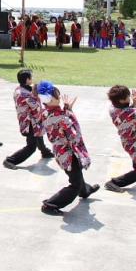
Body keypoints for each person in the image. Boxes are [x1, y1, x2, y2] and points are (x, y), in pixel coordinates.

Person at [37, 81, 99, 215]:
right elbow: (74, 134)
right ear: (49, 99)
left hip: (60, 152)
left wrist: (66, 109)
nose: (59, 99)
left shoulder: (46, 113)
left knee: (77, 174)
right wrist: (69, 111)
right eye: (57, 97)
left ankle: (85, 191)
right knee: (74, 183)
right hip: (69, 153)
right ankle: (50, 205)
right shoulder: (61, 117)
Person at [104, 86, 136, 193]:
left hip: (129, 140)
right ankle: (114, 182)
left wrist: (134, 104)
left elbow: (127, 112)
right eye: (128, 96)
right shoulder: (130, 112)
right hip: (135, 141)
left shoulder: (113, 108)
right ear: (122, 100)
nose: (130, 98)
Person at [3, 69, 54, 169]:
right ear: (27, 79)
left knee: (39, 134)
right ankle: (10, 160)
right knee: (31, 146)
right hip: (29, 123)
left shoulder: (20, 89)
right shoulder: (25, 94)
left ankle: (45, 152)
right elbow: (36, 107)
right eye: (31, 76)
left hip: (32, 121)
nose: (33, 78)